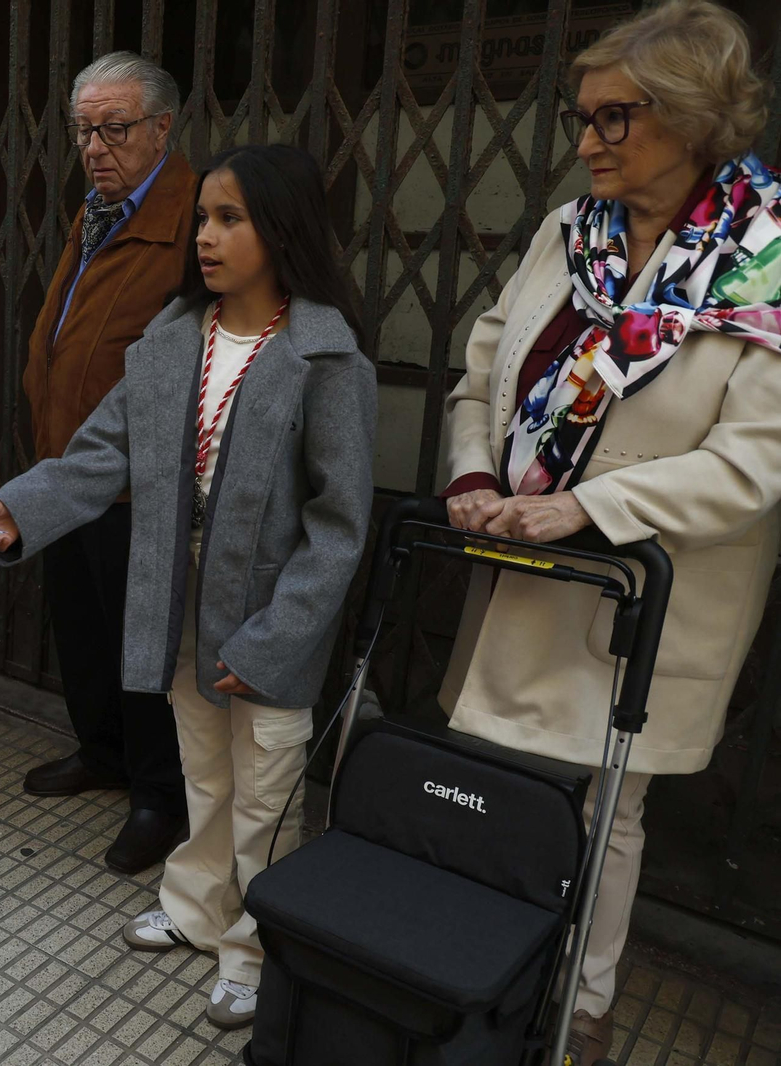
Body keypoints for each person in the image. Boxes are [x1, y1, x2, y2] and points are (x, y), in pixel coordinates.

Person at [0, 144, 376, 1030]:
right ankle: (195, 908)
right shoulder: (169, 339)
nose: (206, 237)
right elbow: (99, 452)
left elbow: (340, 527)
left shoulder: (325, 358)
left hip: (269, 623)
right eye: (202, 219)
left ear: (286, 229)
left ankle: (257, 946)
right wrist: (18, 509)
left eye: (231, 219)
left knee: (266, 789)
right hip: (175, 604)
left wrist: (273, 641)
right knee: (204, 769)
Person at [437, 3, 781, 1062]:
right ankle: (468, 974)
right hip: (518, 557)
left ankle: (574, 1012)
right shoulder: (567, 228)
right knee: (496, 780)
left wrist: (590, 505)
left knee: (605, 815)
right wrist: (474, 470)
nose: (585, 140)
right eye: (579, 115)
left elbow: (756, 461)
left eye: (614, 117)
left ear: (691, 117)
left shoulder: (764, 258)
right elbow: (482, 360)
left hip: (645, 587)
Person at [17, 51, 194, 874]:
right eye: (84, 130)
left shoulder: (191, 220)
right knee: (82, 628)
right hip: (69, 471)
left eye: (115, 129)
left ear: (163, 127)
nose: (95, 146)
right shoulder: (98, 209)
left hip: (137, 481)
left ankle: (160, 794)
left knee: (141, 646)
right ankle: (102, 752)